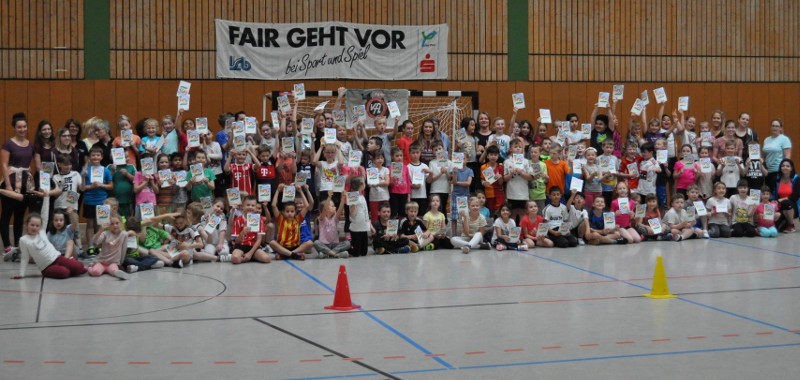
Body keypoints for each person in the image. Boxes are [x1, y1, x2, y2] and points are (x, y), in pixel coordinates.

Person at [12, 195, 87, 279]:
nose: (34, 227)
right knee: (64, 272)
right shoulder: (23, 240)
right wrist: (21, 274)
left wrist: (46, 196)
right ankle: (72, 270)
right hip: (46, 267)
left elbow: (45, 213)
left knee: (79, 266)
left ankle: (76, 269)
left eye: (37, 225)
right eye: (32, 225)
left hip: (58, 258)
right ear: (26, 224)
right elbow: (25, 258)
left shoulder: (42, 232)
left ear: (40, 226)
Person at [1, 113, 35, 257]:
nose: (22, 129)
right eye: (19, 127)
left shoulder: (30, 144)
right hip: (11, 183)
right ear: (14, 128)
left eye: (24, 126)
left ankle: (17, 244)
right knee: (7, 215)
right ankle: (7, 246)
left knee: (20, 216)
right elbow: (4, 164)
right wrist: (8, 185)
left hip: (24, 185)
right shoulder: (8, 144)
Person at [269, 184, 310, 260]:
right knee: (272, 243)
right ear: (283, 212)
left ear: (295, 212)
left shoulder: (298, 219)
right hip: (282, 246)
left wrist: (300, 191)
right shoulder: (280, 219)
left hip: (295, 247)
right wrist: (278, 190)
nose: (290, 213)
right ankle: (293, 255)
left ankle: (286, 254)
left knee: (310, 243)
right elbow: (273, 205)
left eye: (292, 211)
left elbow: (307, 206)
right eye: (287, 211)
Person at [89, 213, 131, 280]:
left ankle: (119, 274)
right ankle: (90, 267)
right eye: (112, 224)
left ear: (121, 223)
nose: (115, 225)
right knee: (96, 272)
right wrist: (101, 230)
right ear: (109, 225)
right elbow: (95, 241)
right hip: (102, 261)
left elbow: (124, 249)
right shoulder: (105, 234)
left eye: (117, 223)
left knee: (114, 271)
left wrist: (121, 263)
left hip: (113, 262)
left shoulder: (124, 234)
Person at [314, 193, 349, 258]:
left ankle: (328, 254)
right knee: (316, 243)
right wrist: (329, 196)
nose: (335, 207)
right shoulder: (322, 218)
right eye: (332, 206)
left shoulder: (335, 218)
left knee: (347, 243)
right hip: (324, 244)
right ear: (326, 209)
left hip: (334, 244)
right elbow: (325, 208)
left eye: (334, 206)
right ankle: (336, 254)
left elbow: (340, 209)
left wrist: (343, 199)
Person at [762, 118, 792, 191]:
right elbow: (764, 156)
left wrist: (785, 171)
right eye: (773, 126)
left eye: (777, 126)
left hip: (778, 171)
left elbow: (787, 157)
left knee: (777, 192)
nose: (774, 128)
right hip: (767, 171)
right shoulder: (766, 139)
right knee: (769, 192)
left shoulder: (784, 139)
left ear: (781, 128)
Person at [773, 159, 799, 232]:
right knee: (775, 227)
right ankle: (785, 221)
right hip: (779, 206)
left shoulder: (796, 179)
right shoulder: (776, 179)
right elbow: (773, 194)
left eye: (787, 166)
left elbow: (794, 197)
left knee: (786, 203)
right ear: (780, 168)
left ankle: (791, 225)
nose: (785, 167)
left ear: (791, 168)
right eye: (783, 166)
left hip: (793, 207)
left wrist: (780, 200)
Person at [347, 177, 370, 257]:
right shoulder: (353, 197)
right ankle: (346, 247)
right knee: (356, 253)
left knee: (364, 252)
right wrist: (352, 209)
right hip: (356, 228)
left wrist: (370, 225)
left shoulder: (362, 196)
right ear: (361, 185)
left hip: (364, 227)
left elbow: (366, 212)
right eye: (364, 183)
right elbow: (351, 216)